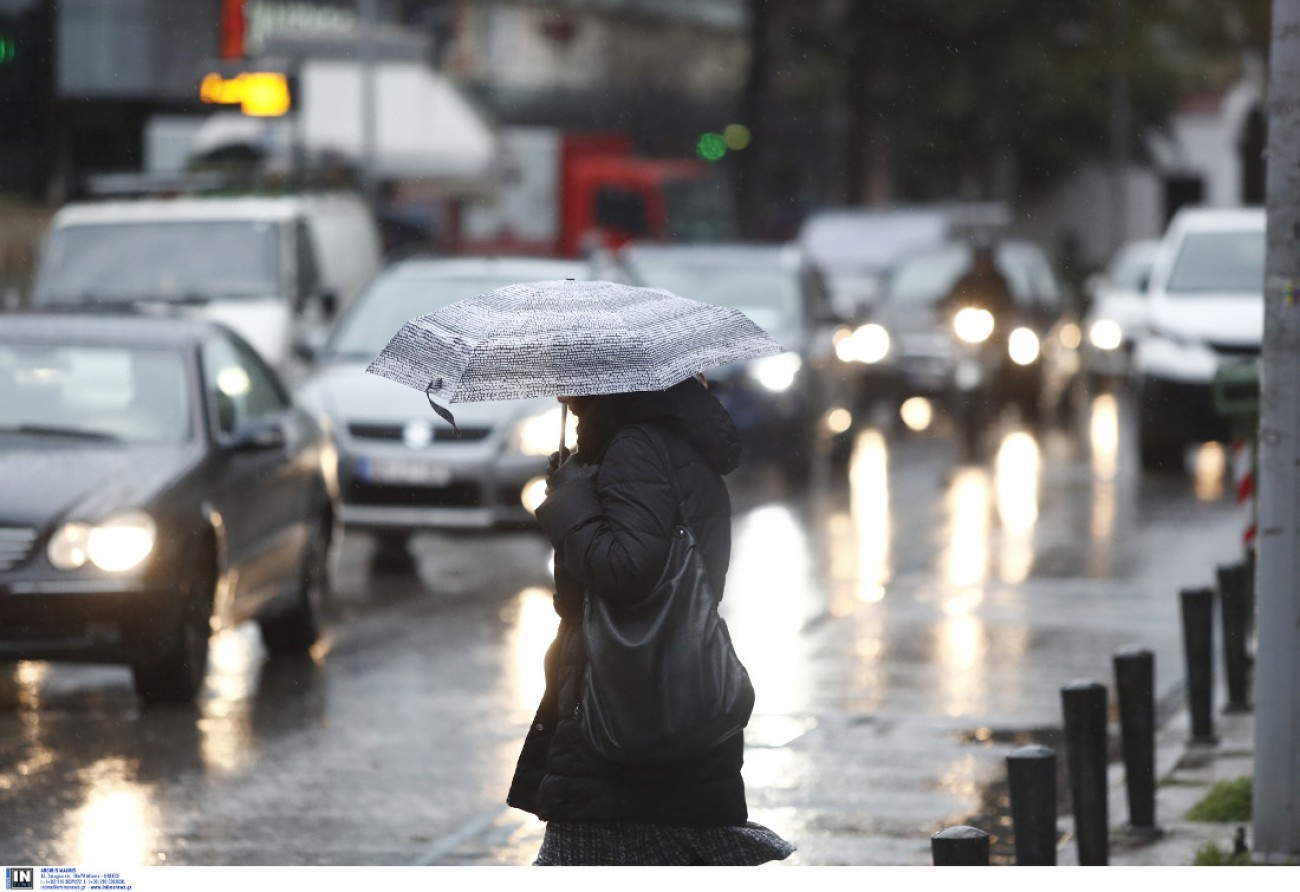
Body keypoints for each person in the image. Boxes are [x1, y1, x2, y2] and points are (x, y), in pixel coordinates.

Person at [507, 375, 795, 866]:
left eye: (575, 379)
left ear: (609, 383)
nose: (564, 396)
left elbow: (628, 571)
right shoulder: (666, 443)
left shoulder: (636, 448)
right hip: (663, 694)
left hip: (624, 707)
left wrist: (570, 503)